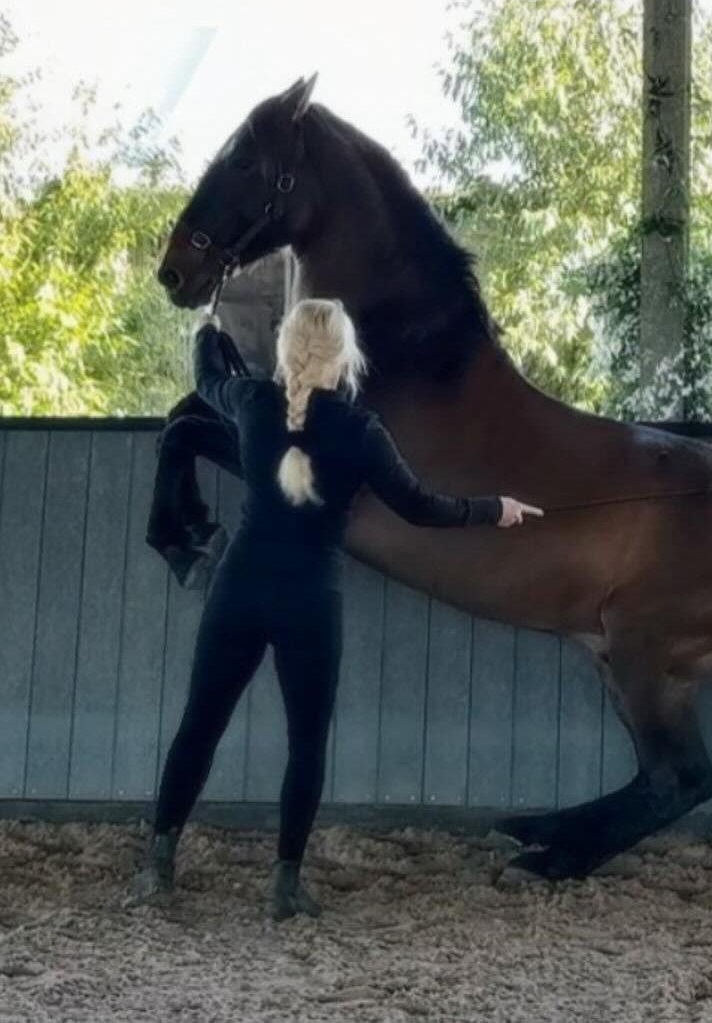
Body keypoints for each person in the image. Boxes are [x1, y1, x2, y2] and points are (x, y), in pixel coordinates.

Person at [131, 298, 542, 920]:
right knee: (306, 743)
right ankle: (285, 886)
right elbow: (420, 507)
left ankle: (158, 866)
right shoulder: (362, 431)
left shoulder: (252, 401)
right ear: (345, 355)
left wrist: (205, 333)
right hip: (310, 600)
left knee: (200, 726)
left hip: (239, 588)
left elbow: (207, 380)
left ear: (287, 349)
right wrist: (496, 509)